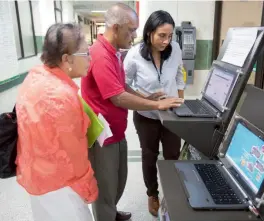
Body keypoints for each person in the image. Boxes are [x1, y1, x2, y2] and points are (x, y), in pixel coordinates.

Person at [81, 3, 183, 221]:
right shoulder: (101, 55)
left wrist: (146, 98)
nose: (134, 35)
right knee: (105, 185)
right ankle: (107, 216)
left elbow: (122, 86)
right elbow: (117, 96)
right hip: (103, 134)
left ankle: (112, 212)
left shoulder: (114, 52)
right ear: (116, 28)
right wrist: (156, 105)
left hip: (116, 130)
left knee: (117, 180)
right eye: (131, 30)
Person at [16, 23, 98, 221]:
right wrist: (88, 186)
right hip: (60, 187)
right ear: (66, 59)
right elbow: (73, 157)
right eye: (85, 53)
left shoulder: (35, 77)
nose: (90, 58)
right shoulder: (61, 97)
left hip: (37, 177)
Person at [123, 10, 186, 217]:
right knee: (149, 155)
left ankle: (172, 192)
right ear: (149, 32)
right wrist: (145, 99)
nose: (166, 41)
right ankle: (153, 193)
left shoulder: (175, 49)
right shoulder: (134, 54)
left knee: (172, 154)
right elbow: (124, 83)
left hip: (171, 113)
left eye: (169, 36)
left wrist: (180, 98)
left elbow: (179, 73)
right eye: (161, 35)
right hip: (146, 116)